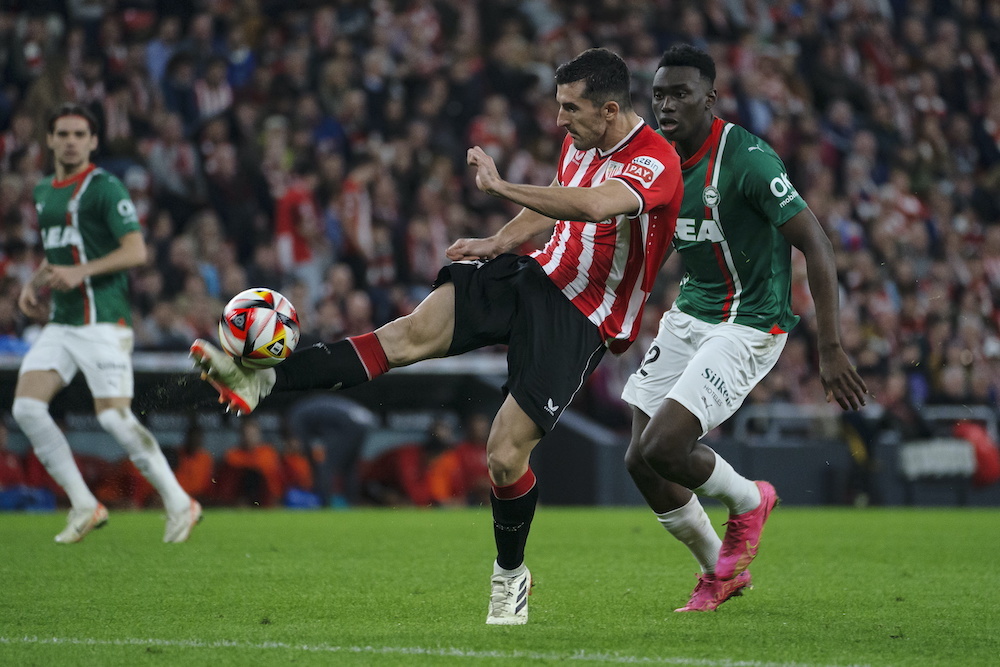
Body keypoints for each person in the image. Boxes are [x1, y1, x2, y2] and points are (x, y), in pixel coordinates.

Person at [191, 48, 683, 625]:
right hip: (534, 275)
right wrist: (497, 242)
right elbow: (556, 201)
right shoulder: (581, 140)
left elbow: (596, 205)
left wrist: (502, 187)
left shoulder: (656, 161)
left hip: (582, 316)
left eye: (570, 109)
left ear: (609, 109)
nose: (559, 121)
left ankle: (510, 575)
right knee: (406, 335)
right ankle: (263, 379)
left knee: (503, 456)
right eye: (557, 107)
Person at [620, 45, 869, 612]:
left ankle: (749, 500)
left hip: (749, 323)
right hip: (690, 314)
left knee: (666, 445)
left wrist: (829, 346)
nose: (666, 104)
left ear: (711, 98)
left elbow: (817, 243)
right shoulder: (655, 162)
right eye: (658, 94)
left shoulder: (749, 159)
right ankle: (719, 572)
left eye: (680, 93)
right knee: (640, 460)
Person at [12, 103, 202, 544]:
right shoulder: (44, 192)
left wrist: (81, 273)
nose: (71, 141)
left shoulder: (103, 186)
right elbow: (62, 250)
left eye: (80, 134)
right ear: (50, 140)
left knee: (114, 418)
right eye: (63, 134)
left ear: (94, 141)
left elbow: (136, 251)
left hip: (102, 322)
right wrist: (35, 281)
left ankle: (179, 501)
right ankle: (84, 504)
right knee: (26, 407)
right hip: (62, 323)